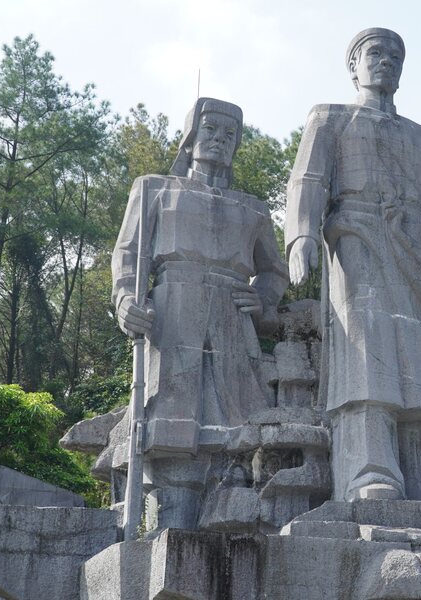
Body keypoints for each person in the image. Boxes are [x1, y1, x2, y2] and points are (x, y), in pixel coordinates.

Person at [285, 28, 421, 502]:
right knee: (367, 350)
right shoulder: (330, 118)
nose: (385, 61)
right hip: (358, 237)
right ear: (354, 65)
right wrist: (302, 235)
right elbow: (307, 180)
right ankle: (368, 469)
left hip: (415, 254)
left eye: (395, 55)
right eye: (375, 52)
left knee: (418, 355)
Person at [112, 97, 288, 530]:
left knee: (240, 421)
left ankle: (236, 507)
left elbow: (274, 271)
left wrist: (262, 299)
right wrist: (124, 301)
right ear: (191, 138)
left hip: (232, 311)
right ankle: (169, 521)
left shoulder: (254, 208)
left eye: (230, 135)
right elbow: (129, 253)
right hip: (174, 308)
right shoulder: (154, 187)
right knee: (171, 417)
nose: (220, 141)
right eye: (210, 130)